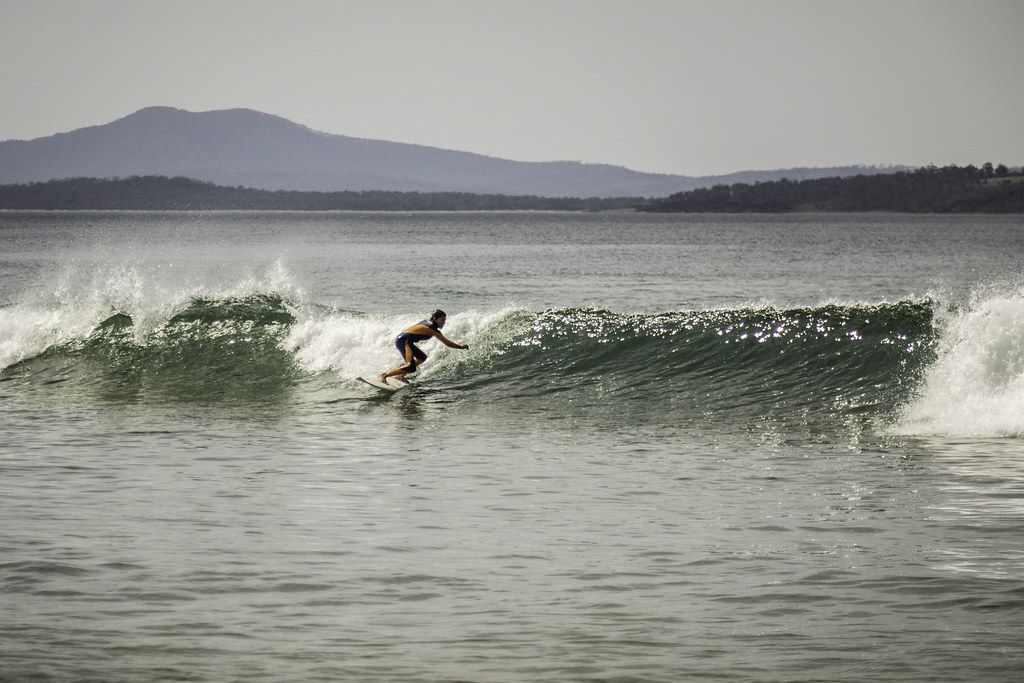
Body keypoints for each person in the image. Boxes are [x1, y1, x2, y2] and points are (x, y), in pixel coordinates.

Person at [378, 309, 469, 383]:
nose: (443, 323)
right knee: (411, 367)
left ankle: (400, 375)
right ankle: (384, 375)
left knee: (421, 357)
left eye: (444, 320)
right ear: (435, 319)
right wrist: (461, 347)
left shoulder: (427, 322)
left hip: (406, 341)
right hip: (403, 341)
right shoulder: (432, 329)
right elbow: (447, 343)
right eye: (442, 320)